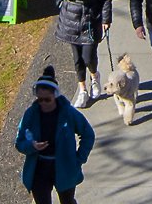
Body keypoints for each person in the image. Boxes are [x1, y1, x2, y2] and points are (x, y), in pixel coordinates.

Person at [15, 65, 95, 204]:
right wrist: (31, 146)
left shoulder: (68, 113)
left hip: (64, 166)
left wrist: (78, 159)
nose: (43, 103)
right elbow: (19, 141)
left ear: (55, 96)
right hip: (39, 168)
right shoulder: (31, 114)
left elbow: (88, 134)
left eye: (47, 100)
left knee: (67, 201)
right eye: (40, 99)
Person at [53, 0, 112, 109]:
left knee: (88, 56)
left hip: (90, 16)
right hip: (70, 17)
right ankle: (82, 90)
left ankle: (94, 77)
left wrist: (106, 17)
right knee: (77, 58)